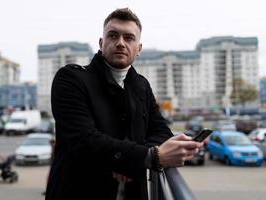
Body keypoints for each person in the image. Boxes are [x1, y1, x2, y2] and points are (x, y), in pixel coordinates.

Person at [46, 8, 202, 200]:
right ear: (101, 43)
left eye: (129, 38)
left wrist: (128, 162)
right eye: (113, 35)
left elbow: (160, 131)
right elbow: (82, 139)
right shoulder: (71, 79)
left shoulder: (141, 85)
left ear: (139, 49)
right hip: (78, 192)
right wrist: (148, 157)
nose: (120, 43)